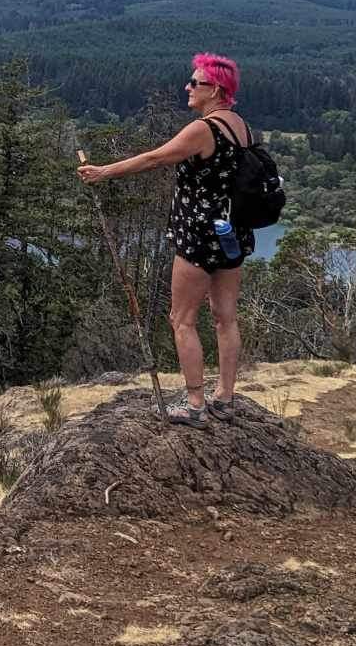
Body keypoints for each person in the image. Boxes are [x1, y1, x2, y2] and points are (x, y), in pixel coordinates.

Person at [76, 53, 250, 426]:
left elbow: (156, 159)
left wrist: (105, 171)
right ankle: (225, 397)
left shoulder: (204, 129)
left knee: (182, 319)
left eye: (194, 83)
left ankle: (194, 405)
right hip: (232, 233)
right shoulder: (240, 126)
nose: (187, 88)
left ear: (215, 89)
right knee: (225, 318)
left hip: (199, 236)